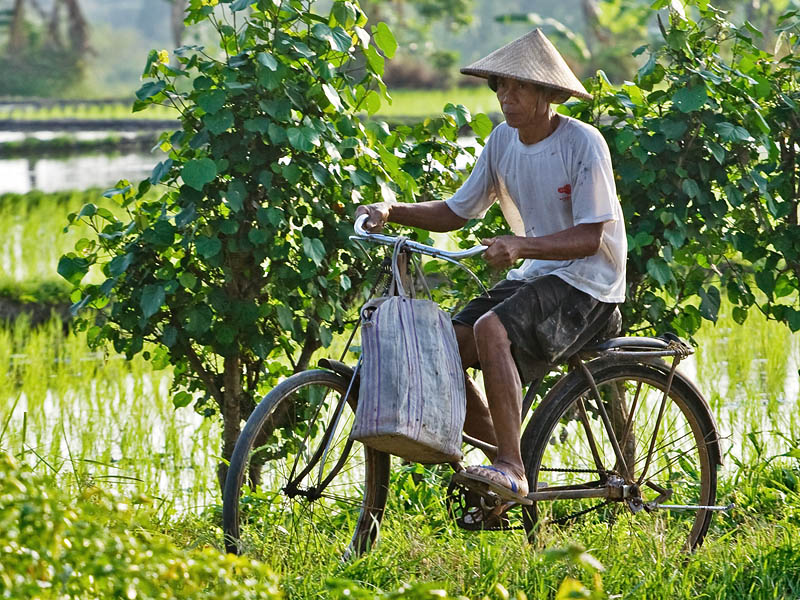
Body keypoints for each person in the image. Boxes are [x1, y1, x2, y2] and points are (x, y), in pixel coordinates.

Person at [355, 29, 626, 503]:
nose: (507, 96)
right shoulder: (502, 141)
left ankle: (512, 467)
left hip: (590, 284)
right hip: (539, 275)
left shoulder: (583, 143)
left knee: (491, 328)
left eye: (519, 86)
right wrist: (392, 210)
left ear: (550, 94)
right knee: (442, 346)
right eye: (500, 86)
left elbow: (590, 238)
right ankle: (494, 471)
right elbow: (457, 212)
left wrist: (520, 245)